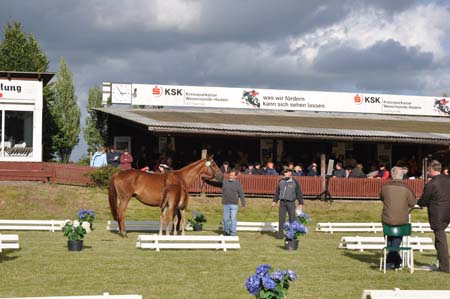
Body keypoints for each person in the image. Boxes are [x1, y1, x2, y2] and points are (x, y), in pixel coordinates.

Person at [380, 166, 416, 270]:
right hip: (401, 220)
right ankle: (394, 260)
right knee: (395, 241)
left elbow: (382, 197)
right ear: (402, 176)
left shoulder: (385, 188)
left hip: (387, 219)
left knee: (389, 240)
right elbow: (412, 203)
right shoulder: (406, 189)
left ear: (391, 175)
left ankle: (393, 260)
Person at [417, 160, 450, 273]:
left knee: (441, 239)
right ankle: (440, 262)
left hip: (437, 213)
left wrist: (419, 202)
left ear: (431, 169)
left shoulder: (431, 184)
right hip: (448, 211)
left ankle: (444, 267)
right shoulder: (448, 179)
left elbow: (423, 201)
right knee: (440, 238)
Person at [203, 170, 246, 236]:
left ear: (236, 176)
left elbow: (241, 194)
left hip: (234, 204)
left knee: (233, 218)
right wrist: (206, 181)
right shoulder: (224, 182)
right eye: (230, 175)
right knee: (226, 219)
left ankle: (233, 233)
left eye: (232, 175)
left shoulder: (238, 184)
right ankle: (227, 231)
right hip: (226, 204)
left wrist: (243, 204)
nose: (230, 176)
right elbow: (215, 184)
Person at [272, 168, 304, 239]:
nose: (285, 174)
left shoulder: (294, 182)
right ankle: (280, 235)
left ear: (290, 173)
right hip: (282, 203)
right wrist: (274, 201)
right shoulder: (281, 181)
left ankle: (291, 234)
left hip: (291, 202)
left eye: (287, 172)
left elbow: (299, 193)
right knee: (281, 219)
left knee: (292, 219)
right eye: (284, 172)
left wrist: (300, 203)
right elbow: (277, 192)